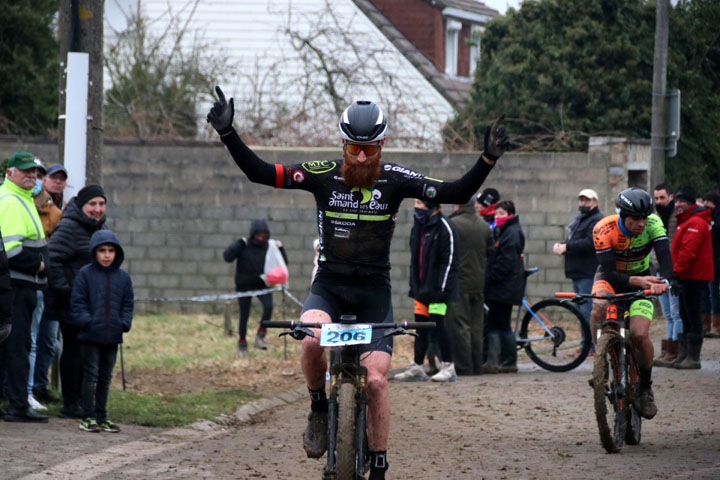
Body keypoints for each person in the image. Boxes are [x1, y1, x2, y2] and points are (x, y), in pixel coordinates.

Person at [207, 86, 508, 479]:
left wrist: (488, 159)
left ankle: (380, 465)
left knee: (379, 382)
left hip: (373, 291)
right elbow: (260, 172)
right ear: (343, 143)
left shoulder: (397, 180)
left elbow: (455, 191)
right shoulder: (321, 175)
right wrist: (228, 133)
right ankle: (318, 408)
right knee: (311, 339)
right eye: (354, 148)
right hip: (330, 285)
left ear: (382, 144)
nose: (361, 156)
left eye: (370, 148)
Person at [590, 187, 672, 420]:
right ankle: (600, 362)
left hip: (643, 281)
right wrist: (637, 280)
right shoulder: (603, 229)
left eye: (644, 217)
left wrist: (664, 280)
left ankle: (645, 387)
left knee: (638, 334)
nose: (641, 223)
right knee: (598, 306)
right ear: (622, 215)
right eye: (636, 218)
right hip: (611, 279)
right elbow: (608, 271)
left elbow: (666, 258)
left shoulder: (654, 224)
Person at [46, 184, 108, 419]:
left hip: (94, 304)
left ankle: (85, 400)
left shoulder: (101, 228)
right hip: (71, 302)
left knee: (89, 352)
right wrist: (68, 290)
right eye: (92, 204)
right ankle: (71, 402)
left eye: (101, 204)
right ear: (81, 206)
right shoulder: (69, 227)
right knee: (74, 351)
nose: (97, 209)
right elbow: (52, 258)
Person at [0, 152, 49, 422]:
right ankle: (18, 404)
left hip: (21, 286)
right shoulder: (10, 200)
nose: (31, 175)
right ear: (10, 173)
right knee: (18, 346)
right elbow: (12, 251)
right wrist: (40, 266)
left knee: (15, 345)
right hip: (17, 285)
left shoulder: (21, 197)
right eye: (25, 171)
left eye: (34, 171)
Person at [71, 230, 133, 433]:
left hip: (113, 335)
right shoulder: (85, 275)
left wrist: (124, 323)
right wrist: (87, 322)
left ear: (117, 253)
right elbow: (77, 302)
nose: (107, 255)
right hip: (90, 335)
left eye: (111, 251)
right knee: (91, 375)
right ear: (94, 252)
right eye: (102, 251)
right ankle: (87, 416)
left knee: (106, 377)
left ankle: (102, 416)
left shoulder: (123, 278)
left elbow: (127, 304)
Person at [394, 199, 459, 382]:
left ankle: (448, 366)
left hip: (438, 293)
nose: (416, 207)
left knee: (438, 326)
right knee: (419, 327)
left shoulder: (446, 227)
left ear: (433, 206)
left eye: (420, 203)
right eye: (415, 202)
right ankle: (417, 367)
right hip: (421, 291)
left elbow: (450, 263)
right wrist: (414, 286)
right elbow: (415, 260)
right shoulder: (418, 227)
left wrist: (442, 289)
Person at [223, 219, 287, 355]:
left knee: (268, 307)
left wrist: (280, 248)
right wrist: (239, 244)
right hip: (244, 286)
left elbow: (283, 263)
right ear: (252, 235)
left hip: (261, 284)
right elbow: (227, 257)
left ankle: (260, 336)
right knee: (244, 315)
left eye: (264, 236)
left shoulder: (269, 247)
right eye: (258, 235)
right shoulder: (244, 245)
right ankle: (242, 343)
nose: (261, 238)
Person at [445, 198, 494, 375]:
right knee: (476, 327)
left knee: (460, 326)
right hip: (478, 283)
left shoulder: (452, 224)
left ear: (458, 205)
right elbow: (491, 251)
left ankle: (464, 367)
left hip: (460, 283)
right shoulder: (484, 225)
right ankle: (477, 366)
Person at [553, 189, 603, 355]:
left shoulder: (597, 220)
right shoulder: (580, 219)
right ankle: (585, 345)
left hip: (587, 272)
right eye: (581, 200)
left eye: (587, 201)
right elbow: (574, 240)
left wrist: (567, 247)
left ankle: (590, 346)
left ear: (595, 202)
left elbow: (590, 243)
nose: (583, 204)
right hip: (578, 272)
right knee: (582, 311)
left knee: (587, 311)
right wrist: (562, 244)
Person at [29, 162, 63, 405]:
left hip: (48, 283)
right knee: (29, 340)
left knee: (48, 341)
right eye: (38, 176)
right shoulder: (17, 204)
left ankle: (38, 386)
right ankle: (24, 390)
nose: (37, 180)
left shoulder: (56, 212)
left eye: (40, 176)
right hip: (29, 281)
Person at [670, 187, 712, 369]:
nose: (678, 205)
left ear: (691, 204)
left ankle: (693, 358)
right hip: (686, 274)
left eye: (682, 202)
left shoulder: (695, 222)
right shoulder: (686, 221)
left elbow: (688, 252)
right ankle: (684, 355)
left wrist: (676, 273)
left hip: (693, 276)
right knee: (685, 314)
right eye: (677, 201)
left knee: (692, 314)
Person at [483, 200, 526, 374]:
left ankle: (503, 361)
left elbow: (505, 263)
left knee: (499, 323)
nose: (498, 217)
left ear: (510, 215)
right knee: (499, 322)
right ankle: (501, 360)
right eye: (496, 213)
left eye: (501, 213)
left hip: (503, 287)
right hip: (503, 287)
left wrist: (490, 279)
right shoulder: (504, 231)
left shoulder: (511, 233)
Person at [651, 183, 683, 367]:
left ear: (670, 197)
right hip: (657, 270)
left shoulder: (676, 217)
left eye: (662, 198)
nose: (659, 201)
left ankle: (675, 350)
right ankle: (668, 350)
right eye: (656, 198)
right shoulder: (654, 217)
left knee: (675, 312)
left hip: (672, 270)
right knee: (668, 314)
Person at [703, 191, 720, 338]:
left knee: (714, 294)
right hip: (708, 263)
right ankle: (706, 325)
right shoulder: (706, 218)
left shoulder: (716, 218)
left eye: (709, 202)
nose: (706, 204)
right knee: (707, 294)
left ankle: (716, 326)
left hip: (716, 263)